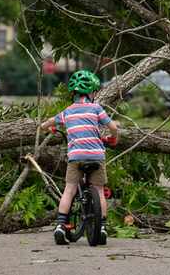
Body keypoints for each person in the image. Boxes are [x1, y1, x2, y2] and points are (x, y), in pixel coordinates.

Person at [40, 69, 119, 245]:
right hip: (96, 156)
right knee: (99, 191)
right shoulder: (96, 108)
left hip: (76, 157)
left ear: (73, 93)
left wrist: (47, 128)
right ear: (91, 93)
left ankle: (60, 225)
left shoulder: (67, 112)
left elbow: (47, 123)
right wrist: (113, 138)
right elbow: (113, 127)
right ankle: (103, 228)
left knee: (69, 189)